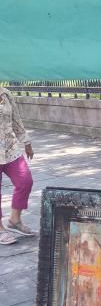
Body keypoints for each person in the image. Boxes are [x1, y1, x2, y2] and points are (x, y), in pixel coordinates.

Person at [0, 85, 35, 245]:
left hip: (9, 147)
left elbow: (16, 120)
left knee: (25, 181)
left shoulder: (6, 94)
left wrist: (26, 142)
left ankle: (15, 220)